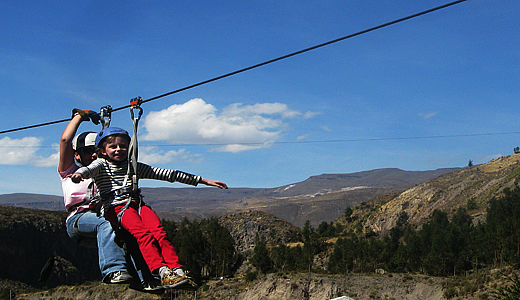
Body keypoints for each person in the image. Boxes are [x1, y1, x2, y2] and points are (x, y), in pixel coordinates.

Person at [68, 127, 228, 289]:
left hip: (136, 204)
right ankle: (161, 271)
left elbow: (167, 174)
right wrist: (79, 174)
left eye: (123, 146)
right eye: (113, 147)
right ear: (102, 150)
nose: (119, 150)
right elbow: (89, 170)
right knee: (143, 234)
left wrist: (203, 181)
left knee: (159, 232)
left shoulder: (134, 167)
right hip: (116, 207)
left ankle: (176, 269)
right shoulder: (101, 164)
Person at [58, 110, 134, 284]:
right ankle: (113, 270)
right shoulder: (70, 170)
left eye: (94, 150)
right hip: (79, 219)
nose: (92, 155)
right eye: (86, 151)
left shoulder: (104, 170)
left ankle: (144, 277)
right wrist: (79, 116)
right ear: (77, 155)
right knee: (105, 224)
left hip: (103, 217)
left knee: (132, 231)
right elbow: (65, 141)